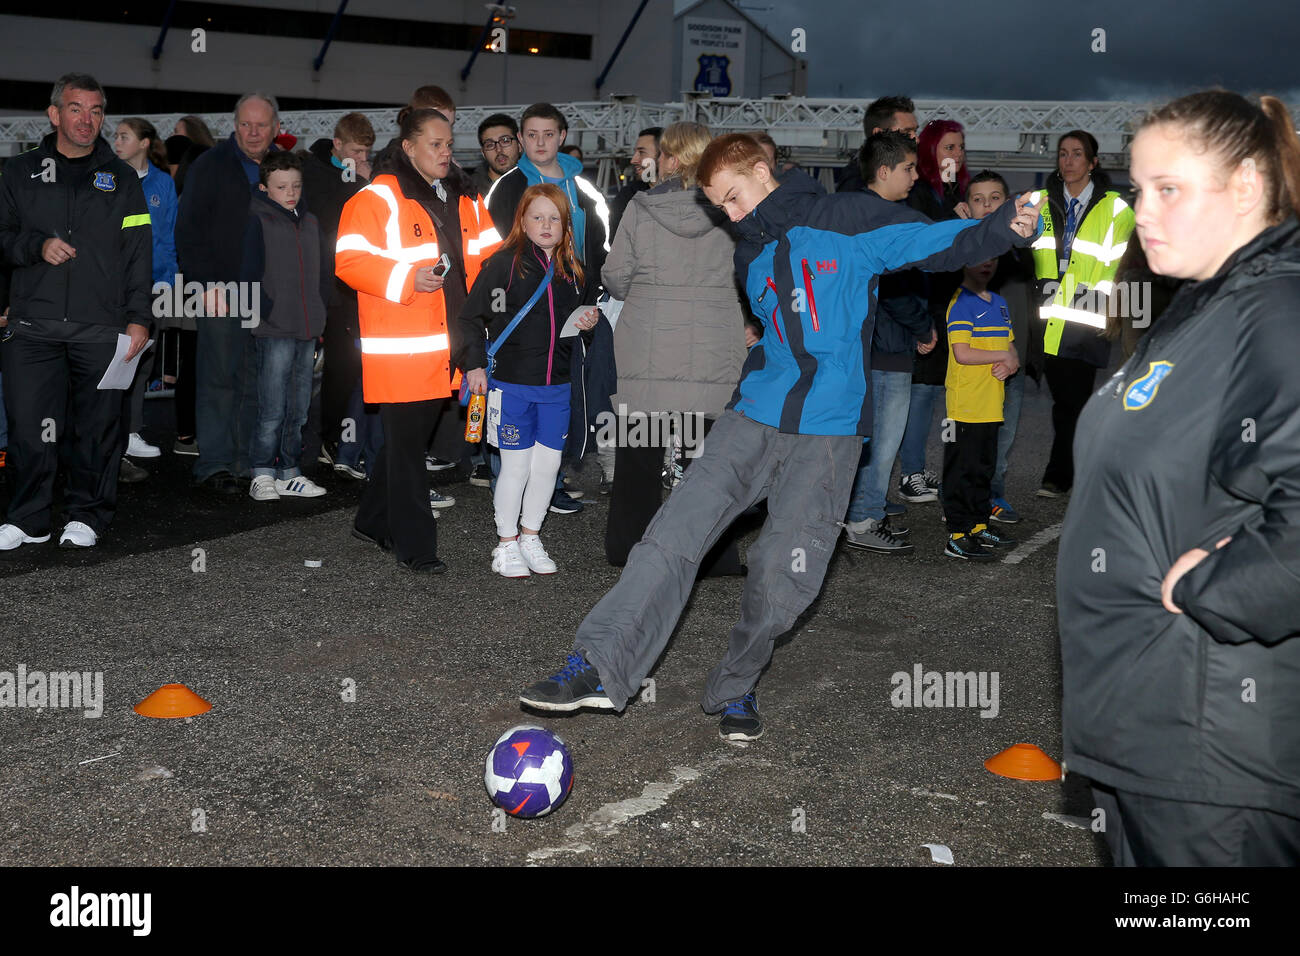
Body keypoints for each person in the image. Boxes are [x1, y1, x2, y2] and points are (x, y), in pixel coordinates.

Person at [518, 134, 1042, 741]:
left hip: (828, 432)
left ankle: (736, 686)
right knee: (671, 536)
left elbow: (931, 243)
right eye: (721, 208)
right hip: (752, 417)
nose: (732, 217)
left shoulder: (845, 217)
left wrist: (1004, 226)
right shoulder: (749, 254)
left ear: (763, 172)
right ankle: (598, 667)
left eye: (734, 199)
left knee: (782, 577)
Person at [1059, 90, 1300, 866]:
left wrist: (1210, 590)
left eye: (1169, 189)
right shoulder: (1203, 307)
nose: (1142, 211)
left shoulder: (1276, 309)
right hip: (1148, 733)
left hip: (1213, 754)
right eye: (1137, 189)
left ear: (1246, 187)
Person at [336, 108, 501, 573]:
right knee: (408, 449)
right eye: (436, 144)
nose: (446, 151)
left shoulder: (464, 198)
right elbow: (348, 261)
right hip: (405, 349)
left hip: (452, 344)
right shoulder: (376, 199)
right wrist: (408, 278)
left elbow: (490, 258)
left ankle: (371, 520)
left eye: (449, 144)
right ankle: (416, 546)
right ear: (408, 147)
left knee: (402, 444)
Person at [0, 73, 152, 551]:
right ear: (54, 114)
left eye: (96, 111)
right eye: (76, 108)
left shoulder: (122, 178)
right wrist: (35, 246)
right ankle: (29, 518)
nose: (87, 120)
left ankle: (87, 513)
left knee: (97, 429)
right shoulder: (18, 171)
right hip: (32, 326)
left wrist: (140, 317)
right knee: (29, 428)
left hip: (100, 326)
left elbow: (139, 252)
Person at [599, 121, 749, 573]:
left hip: (647, 349)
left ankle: (629, 547)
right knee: (708, 465)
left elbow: (615, 276)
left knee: (637, 460)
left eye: (664, 153)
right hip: (714, 349)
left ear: (674, 158)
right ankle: (715, 556)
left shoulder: (640, 209)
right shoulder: (731, 213)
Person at [455, 185, 599, 578]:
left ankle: (531, 536)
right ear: (522, 220)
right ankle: (505, 543)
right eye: (538, 217)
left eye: (555, 217)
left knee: (548, 468)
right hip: (512, 386)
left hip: (558, 388)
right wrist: (474, 365)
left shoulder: (575, 270)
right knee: (515, 468)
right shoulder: (503, 265)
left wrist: (587, 325)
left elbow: (579, 328)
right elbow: (469, 319)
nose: (546, 225)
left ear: (566, 224)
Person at [485, 102, 612, 516]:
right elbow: (496, 250)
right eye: (532, 134)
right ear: (521, 139)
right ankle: (508, 487)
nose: (540, 142)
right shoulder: (508, 186)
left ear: (561, 136)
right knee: (517, 394)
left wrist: (593, 295)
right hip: (522, 315)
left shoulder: (584, 186)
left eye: (548, 134)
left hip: (572, 310)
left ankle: (550, 481)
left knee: (562, 392)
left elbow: (599, 242)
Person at [176, 91, 281, 494]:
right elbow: (188, 230)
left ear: (275, 129)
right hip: (221, 291)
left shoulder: (283, 168)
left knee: (257, 382)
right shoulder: (210, 166)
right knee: (219, 379)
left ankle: (245, 463)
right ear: (233, 126)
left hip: (269, 295)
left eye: (261, 125)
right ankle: (216, 464)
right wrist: (203, 285)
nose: (252, 132)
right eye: (245, 124)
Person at [1031, 129, 1135, 499]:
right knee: (1064, 398)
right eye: (1063, 153)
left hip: (1089, 310)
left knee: (1072, 400)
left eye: (1077, 154)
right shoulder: (1039, 202)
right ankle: (1072, 471)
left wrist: (1123, 314)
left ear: (1092, 163)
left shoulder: (1117, 209)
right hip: (1045, 310)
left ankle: (1060, 475)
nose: (1068, 160)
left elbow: (1128, 265)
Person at [842, 131, 932, 555]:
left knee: (869, 439)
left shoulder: (854, 213)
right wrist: (923, 327)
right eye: (908, 168)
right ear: (883, 172)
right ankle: (863, 518)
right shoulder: (886, 220)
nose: (915, 175)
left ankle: (863, 513)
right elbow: (894, 289)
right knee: (880, 442)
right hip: (886, 345)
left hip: (866, 343)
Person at [242, 151, 331, 501]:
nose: (290, 192)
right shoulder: (256, 220)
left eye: (295, 185)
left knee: (299, 407)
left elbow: (324, 273)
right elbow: (247, 271)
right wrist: (265, 311)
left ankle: (289, 471)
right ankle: (262, 471)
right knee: (272, 406)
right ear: (265, 188)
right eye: (281, 187)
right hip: (274, 327)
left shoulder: (310, 222)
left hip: (307, 327)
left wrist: (321, 313)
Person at [897, 118, 969, 505]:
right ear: (930, 151)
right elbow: (925, 243)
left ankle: (916, 465)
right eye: (948, 148)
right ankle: (909, 473)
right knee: (921, 391)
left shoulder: (955, 189)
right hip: (924, 301)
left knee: (934, 390)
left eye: (959, 148)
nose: (955, 155)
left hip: (950, 301)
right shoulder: (919, 192)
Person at [300, 112, 375, 480]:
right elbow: (333, 222)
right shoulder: (314, 175)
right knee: (306, 370)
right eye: (355, 150)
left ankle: (332, 439)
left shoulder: (357, 176)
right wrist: (361, 183)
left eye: (365, 151)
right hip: (317, 286)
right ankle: (306, 446)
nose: (360, 158)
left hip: (350, 289)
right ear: (338, 145)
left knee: (344, 369)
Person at [967, 170, 1038, 524]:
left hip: (1014, 359)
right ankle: (968, 499)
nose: (987, 206)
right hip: (973, 362)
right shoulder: (961, 245)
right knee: (971, 435)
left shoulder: (1019, 247)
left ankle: (993, 494)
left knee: (1005, 433)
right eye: (978, 200)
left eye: (995, 198)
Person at [112, 117, 178, 478]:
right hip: (115, 287)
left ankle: (131, 430)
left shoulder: (162, 183)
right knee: (115, 359)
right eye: (117, 136)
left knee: (142, 360)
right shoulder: (108, 179)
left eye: (124, 136)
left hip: (151, 284)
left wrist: (168, 280)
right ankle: (112, 434)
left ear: (143, 143)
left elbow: (167, 236)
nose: (117, 141)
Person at [940, 257, 1018, 560]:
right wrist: (1004, 356)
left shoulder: (998, 301)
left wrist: (1012, 363)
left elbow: (1010, 348)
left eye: (992, 259)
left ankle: (978, 524)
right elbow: (962, 353)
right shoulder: (961, 303)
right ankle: (957, 534)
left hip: (990, 403)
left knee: (983, 468)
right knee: (961, 469)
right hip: (964, 405)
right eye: (978, 259)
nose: (985, 264)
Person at [835, 95, 919, 194]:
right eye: (906, 132)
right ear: (879, 134)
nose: (917, 139)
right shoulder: (856, 184)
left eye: (915, 131)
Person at [607, 127, 661, 241]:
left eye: (641, 152)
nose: (633, 160)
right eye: (635, 153)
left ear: (663, 156)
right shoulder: (628, 195)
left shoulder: (686, 196)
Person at [473, 113, 521, 197]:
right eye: (490, 145)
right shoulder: (470, 190)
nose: (498, 150)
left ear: (519, 145)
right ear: (483, 153)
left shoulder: (536, 184)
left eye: (505, 141)